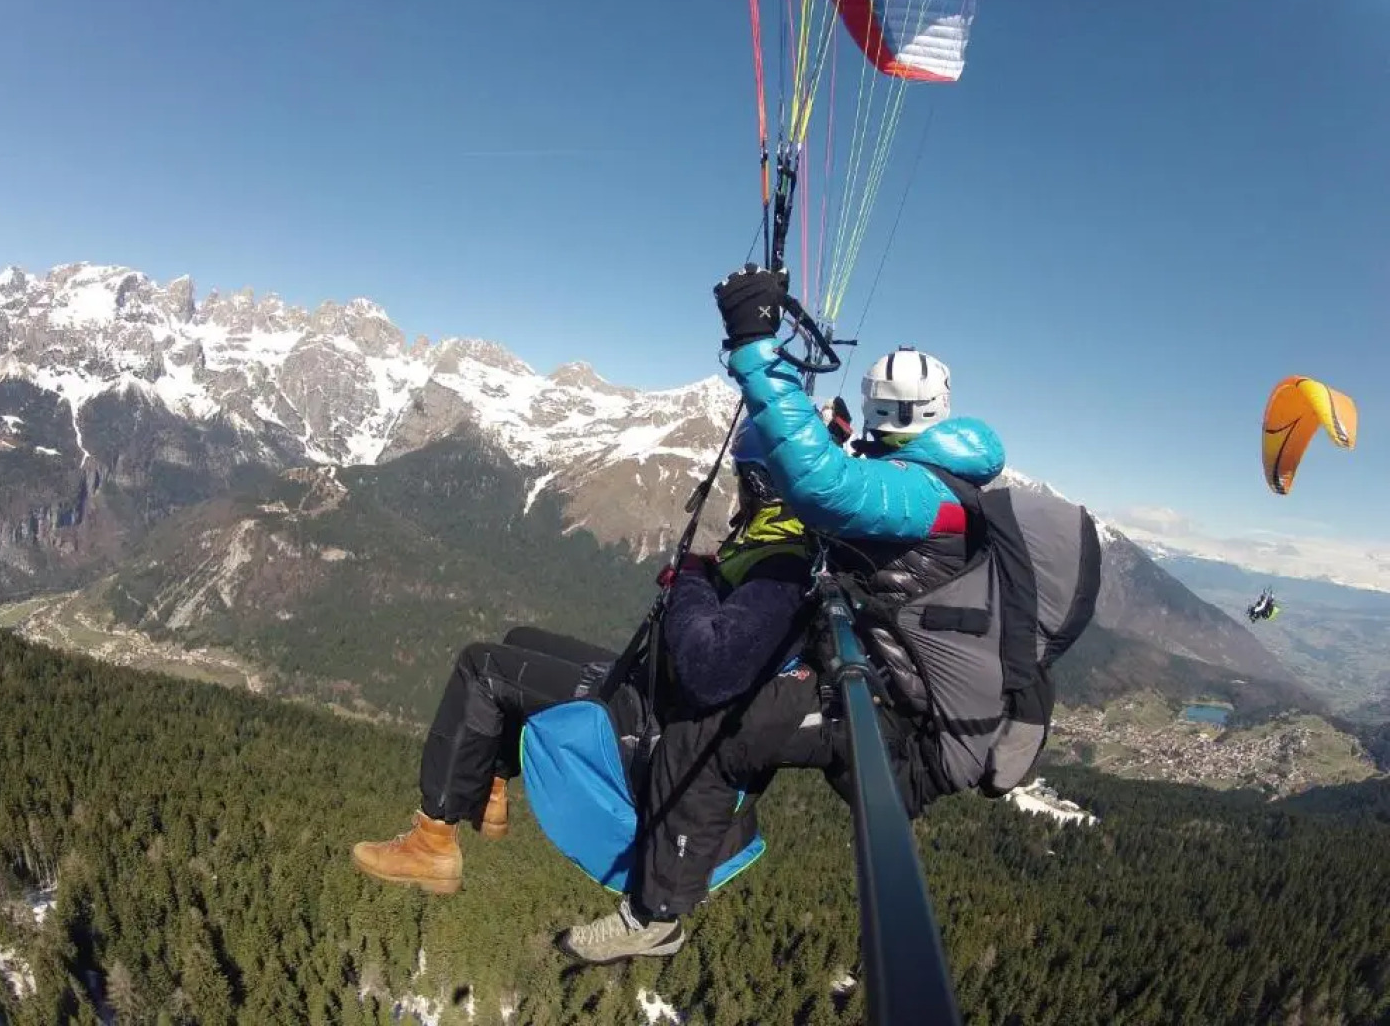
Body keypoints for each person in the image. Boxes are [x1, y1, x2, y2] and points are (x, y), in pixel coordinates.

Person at [558, 266, 1011, 964]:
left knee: (720, 728)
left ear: (878, 410)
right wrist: (812, 421)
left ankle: (656, 914)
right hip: (891, 685)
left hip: (900, 718)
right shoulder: (938, 476)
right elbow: (849, 477)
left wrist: (754, 350)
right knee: (741, 701)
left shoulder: (924, 492)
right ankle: (694, 848)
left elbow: (829, 487)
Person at [350, 418, 816, 901]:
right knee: (519, 637)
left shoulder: (781, 565)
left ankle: (433, 842)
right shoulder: (777, 546)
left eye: (741, 480)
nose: (737, 493)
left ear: (762, 484)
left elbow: (709, 669)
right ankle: (488, 789)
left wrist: (693, 580)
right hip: (659, 692)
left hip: (660, 728)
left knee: (480, 668)